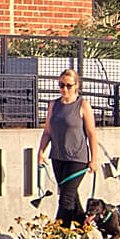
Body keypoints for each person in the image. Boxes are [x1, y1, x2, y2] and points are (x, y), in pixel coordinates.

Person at [39, 66, 100, 228]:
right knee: (72, 197)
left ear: (76, 86)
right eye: (61, 85)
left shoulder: (82, 105)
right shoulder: (54, 105)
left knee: (66, 198)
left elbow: (91, 134)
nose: (64, 89)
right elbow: (47, 131)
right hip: (58, 157)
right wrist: (41, 152)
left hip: (77, 158)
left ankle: (58, 235)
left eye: (68, 85)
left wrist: (94, 160)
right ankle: (83, 229)